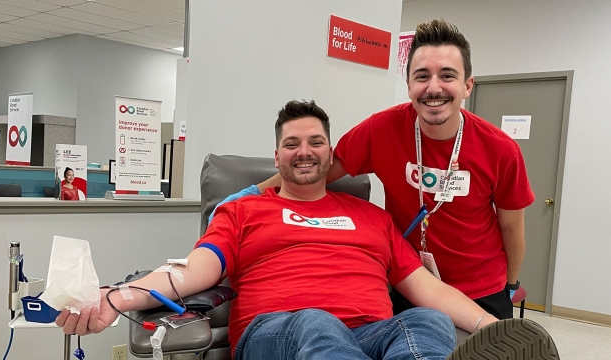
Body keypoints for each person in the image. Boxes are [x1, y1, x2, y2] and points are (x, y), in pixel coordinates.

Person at [57, 100, 557, 360]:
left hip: (372, 332)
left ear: (330, 153)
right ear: (277, 156)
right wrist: (116, 297)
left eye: (316, 141)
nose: (304, 150)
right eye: (292, 142)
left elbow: (427, 290)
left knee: (426, 325)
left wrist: (496, 327)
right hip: (279, 331)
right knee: (316, 322)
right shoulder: (244, 212)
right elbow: (192, 271)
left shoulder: (372, 217)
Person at [214, 19, 534, 320]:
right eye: (422, 76)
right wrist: (253, 193)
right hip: (410, 284)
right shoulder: (382, 130)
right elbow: (316, 169)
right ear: (409, 85)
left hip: (482, 288)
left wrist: (509, 285)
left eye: (448, 76)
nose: (434, 88)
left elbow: (511, 228)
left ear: (468, 85)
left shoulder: (500, 149)